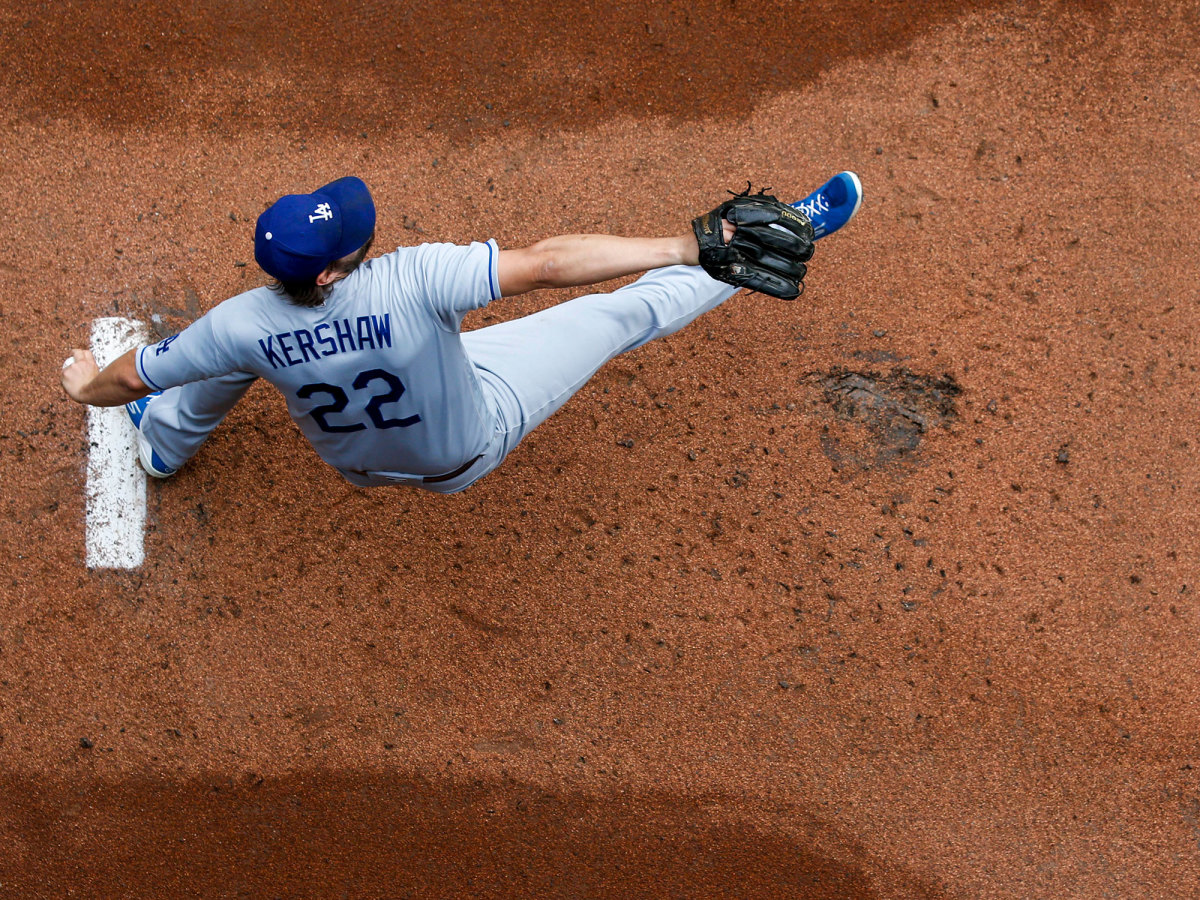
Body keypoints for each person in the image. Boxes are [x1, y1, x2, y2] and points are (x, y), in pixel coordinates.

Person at [60, 173, 862, 493]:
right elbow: (547, 266)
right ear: (335, 270)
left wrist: (83, 387)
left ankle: (165, 444)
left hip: (363, 467)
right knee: (622, 315)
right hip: (464, 443)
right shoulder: (411, 279)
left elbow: (129, 375)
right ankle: (794, 228)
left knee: (227, 351)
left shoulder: (246, 317)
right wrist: (688, 244)